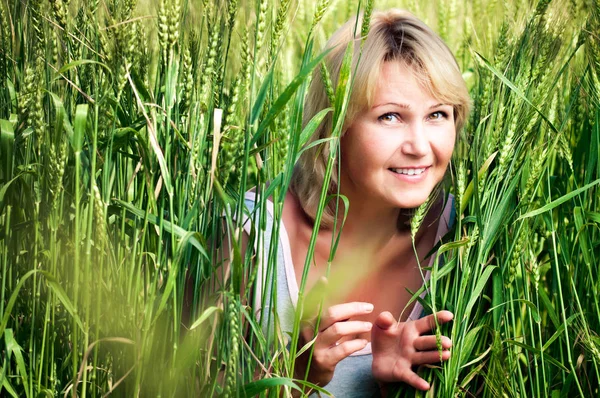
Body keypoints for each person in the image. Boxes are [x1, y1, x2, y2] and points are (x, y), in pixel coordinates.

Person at [239, 8, 470, 397]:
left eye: (437, 115)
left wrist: (388, 388)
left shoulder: (465, 242)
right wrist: (297, 377)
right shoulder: (253, 235)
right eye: (391, 117)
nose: (419, 147)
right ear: (335, 125)